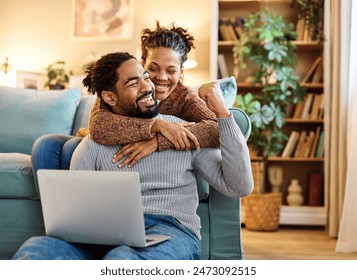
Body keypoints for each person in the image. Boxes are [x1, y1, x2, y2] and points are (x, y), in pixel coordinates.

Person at [12, 52, 253, 260]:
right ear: (109, 97)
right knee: (37, 250)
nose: (148, 86)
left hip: (170, 232)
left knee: (123, 259)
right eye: (133, 83)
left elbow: (239, 186)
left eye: (145, 78)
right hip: (103, 236)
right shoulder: (93, 145)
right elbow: (77, 216)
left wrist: (222, 113)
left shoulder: (181, 132)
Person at [88, 21, 220, 168]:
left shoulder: (183, 97)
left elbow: (217, 129)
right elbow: (97, 125)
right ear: (142, 64)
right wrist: (158, 125)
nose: (162, 77)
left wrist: (159, 140)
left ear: (181, 73)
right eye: (153, 68)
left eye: (171, 71)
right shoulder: (118, 92)